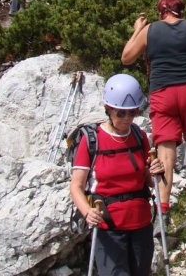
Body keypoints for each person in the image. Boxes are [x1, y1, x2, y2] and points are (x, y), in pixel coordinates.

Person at [121, 0, 186, 229]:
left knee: (165, 151)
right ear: (181, 9)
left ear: (160, 11)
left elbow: (126, 57)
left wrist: (138, 29)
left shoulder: (149, 31)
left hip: (163, 93)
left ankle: (163, 211)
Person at [70, 74, 165, 276]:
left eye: (133, 112)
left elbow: (147, 181)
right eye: (121, 113)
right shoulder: (91, 140)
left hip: (141, 223)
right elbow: (76, 186)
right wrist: (87, 212)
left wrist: (154, 170)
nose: (127, 118)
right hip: (108, 227)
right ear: (108, 108)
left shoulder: (139, 136)